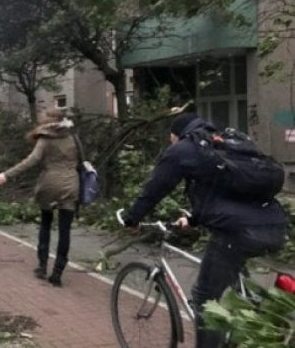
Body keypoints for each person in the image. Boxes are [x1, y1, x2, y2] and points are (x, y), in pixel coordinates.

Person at [121, 112, 288, 348]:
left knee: (205, 298)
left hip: (237, 234)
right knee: (235, 288)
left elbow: (155, 189)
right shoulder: (226, 142)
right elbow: (227, 194)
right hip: (274, 226)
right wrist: (192, 218)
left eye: (171, 139)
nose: (171, 144)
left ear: (177, 135)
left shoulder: (184, 149)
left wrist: (132, 219)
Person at [0, 108, 79, 287]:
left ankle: (42, 265)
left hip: (49, 184)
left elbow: (32, 160)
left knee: (46, 223)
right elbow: (83, 161)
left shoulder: (45, 139)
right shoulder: (73, 137)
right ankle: (58, 272)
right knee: (65, 230)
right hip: (71, 184)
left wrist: (6, 175)